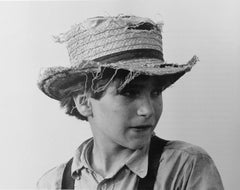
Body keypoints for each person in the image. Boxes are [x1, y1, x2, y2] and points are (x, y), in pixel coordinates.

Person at [37, 15, 224, 189]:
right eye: (129, 92)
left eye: (156, 92)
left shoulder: (184, 167)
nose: (147, 110)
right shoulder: (53, 184)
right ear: (85, 102)